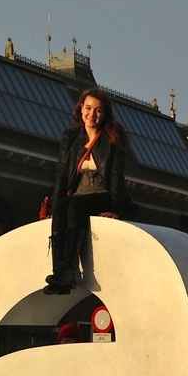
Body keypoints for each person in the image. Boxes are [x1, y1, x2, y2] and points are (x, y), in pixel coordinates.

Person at [43, 88, 130, 295]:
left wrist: (116, 209)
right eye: (88, 108)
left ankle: (71, 271)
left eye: (98, 110)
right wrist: (54, 206)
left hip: (103, 195)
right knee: (63, 206)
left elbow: (116, 178)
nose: (92, 114)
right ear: (81, 109)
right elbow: (62, 175)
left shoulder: (112, 138)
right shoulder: (71, 137)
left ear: (105, 114)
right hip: (78, 195)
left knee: (74, 205)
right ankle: (60, 273)